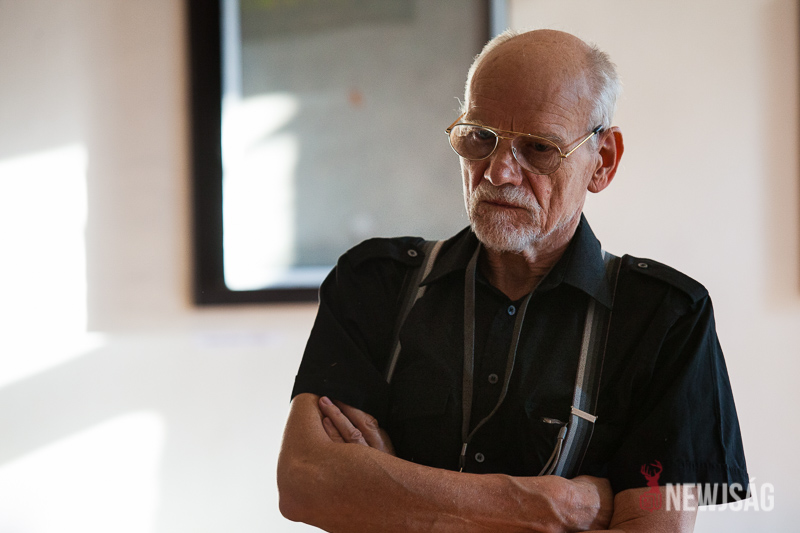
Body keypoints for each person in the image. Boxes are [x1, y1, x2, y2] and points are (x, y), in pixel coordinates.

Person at [277, 29, 748, 532]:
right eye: (480, 137)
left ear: (603, 162)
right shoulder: (375, 284)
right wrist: (547, 505)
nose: (499, 172)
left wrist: (388, 489)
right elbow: (306, 483)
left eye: (539, 147)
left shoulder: (665, 319)